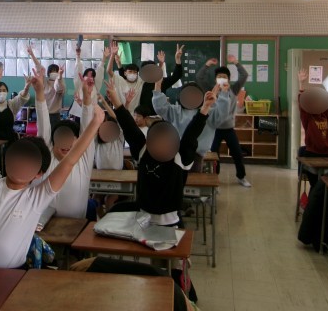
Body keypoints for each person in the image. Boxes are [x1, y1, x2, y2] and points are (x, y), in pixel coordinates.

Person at [0, 65, 103, 269]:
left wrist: (95, 122)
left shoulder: (37, 196)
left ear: (39, 174)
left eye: (29, 160)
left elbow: (71, 160)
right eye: (18, 155)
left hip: (13, 277)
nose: (21, 163)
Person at [106, 78, 213, 226]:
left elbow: (191, 133)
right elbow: (129, 127)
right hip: (143, 218)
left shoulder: (180, 157)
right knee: (115, 211)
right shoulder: (144, 151)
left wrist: (205, 108)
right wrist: (116, 102)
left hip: (170, 222)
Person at [35, 69, 96, 219]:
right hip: (45, 227)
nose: (65, 143)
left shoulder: (83, 158)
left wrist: (87, 97)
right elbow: (43, 121)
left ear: (78, 140)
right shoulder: (47, 155)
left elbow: (87, 126)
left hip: (74, 228)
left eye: (70, 137)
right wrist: (39, 93)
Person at [196, 54, 251, 186]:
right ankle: (215, 178)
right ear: (216, 79)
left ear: (228, 79)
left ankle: (241, 177)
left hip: (229, 129)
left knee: (237, 153)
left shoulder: (234, 90)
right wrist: (207, 65)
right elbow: (199, 77)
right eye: (219, 76)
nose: (222, 78)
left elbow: (244, 75)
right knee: (214, 156)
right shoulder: (211, 90)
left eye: (224, 77)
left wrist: (236, 62)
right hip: (214, 129)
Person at [152, 80, 228, 173]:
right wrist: (158, 84)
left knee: (192, 179)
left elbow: (223, 114)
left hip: (196, 156)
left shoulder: (208, 111)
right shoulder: (175, 111)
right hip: (175, 153)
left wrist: (223, 95)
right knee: (175, 179)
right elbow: (159, 107)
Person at [297, 69, 328, 188]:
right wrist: (301, 83)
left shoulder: (326, 115)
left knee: (326, 184)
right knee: (315, 184)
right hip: (312, 154)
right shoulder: (308, 117)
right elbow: (302, 102)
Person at [27, 45, 65, 125]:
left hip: (55, 115)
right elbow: (39, 68)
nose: (54, 73)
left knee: (54, 132)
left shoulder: (60, 81)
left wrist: (60, 76)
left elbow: (58, 89)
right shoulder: (44, 82)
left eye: (56, 71)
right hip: (44, 113)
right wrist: (32, 55)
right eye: (52, 71)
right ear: (48, 73)